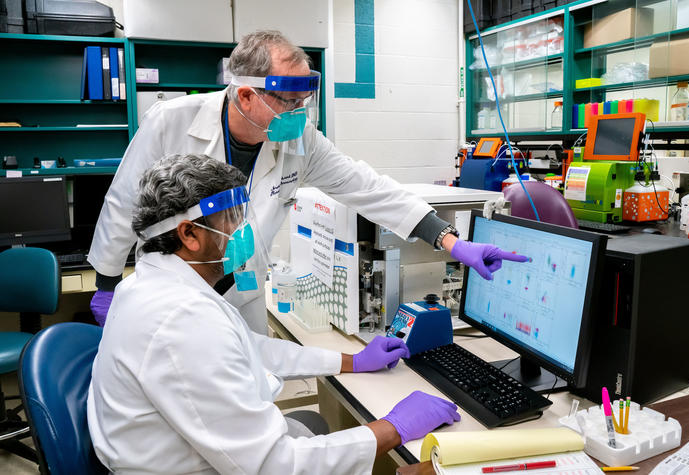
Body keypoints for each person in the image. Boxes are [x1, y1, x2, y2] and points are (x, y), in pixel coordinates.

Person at [88, 30, 528, 333]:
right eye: (290, 101)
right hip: (173, 295)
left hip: (242, 297)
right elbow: (124, 203)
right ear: (246, 94)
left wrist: (449, 240)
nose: (300, 114)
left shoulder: (299, 141)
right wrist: (107, 282)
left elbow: (366, 186)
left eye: (305, 101)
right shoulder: (172, 122)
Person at [87, 154, 461, 474]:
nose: (241, 230)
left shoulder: (150, 285)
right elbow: (275, 466)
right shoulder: (180, 318)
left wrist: (353, 360)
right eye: (230, 219)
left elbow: (247, 348)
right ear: (189, 235)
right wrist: (393, 428)